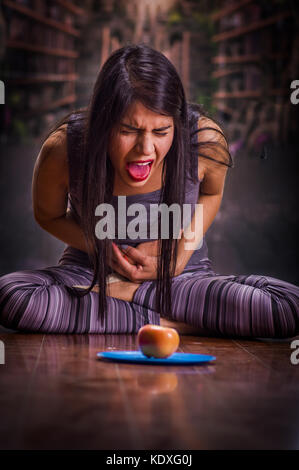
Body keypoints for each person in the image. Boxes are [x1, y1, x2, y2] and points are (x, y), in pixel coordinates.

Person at [0, 44, 298, 337]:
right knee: (13, 299)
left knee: (286, 307)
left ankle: (128, 308)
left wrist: (179, 255)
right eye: (128, 130)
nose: (145, 149)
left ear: (177, 124)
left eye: (161, 132)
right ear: (102, 122)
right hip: (90, 276)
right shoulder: (65, 148)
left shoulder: (204, 142)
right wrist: (100, 249)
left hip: (181, 281)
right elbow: (48, 215)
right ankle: (184, 325)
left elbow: (211, 194)